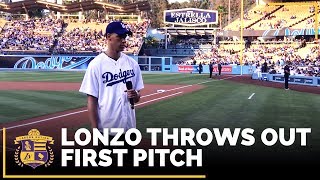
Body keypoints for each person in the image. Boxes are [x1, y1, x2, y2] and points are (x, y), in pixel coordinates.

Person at [79, 21, 144, 159]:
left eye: (124, 38)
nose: (123, 41)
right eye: (119, 37)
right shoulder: (96, 65)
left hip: (130, 130)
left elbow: (138, 97)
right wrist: (95, 132)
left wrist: (135, 95)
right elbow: (92, 101)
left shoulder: (132, 64)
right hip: (107, 132)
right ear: (108, 37)